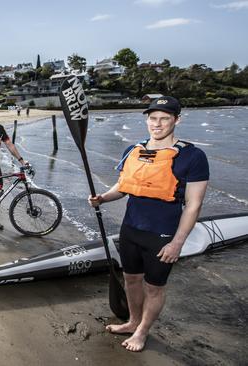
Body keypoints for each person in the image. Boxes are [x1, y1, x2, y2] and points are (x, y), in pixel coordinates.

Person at [88, 96, 209, 352]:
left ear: (177, 120)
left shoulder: (193, 156)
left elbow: (194, 204)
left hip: (162, 233)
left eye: (165, 118)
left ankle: (142, 332)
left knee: (154, 287)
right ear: (147, 120)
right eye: (153, 118)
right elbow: (124, 186)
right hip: (131, 228)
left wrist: (177, 242)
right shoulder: (133, 149)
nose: (158, 123)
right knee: (130, 279)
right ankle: (132, 321)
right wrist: (103, 198)